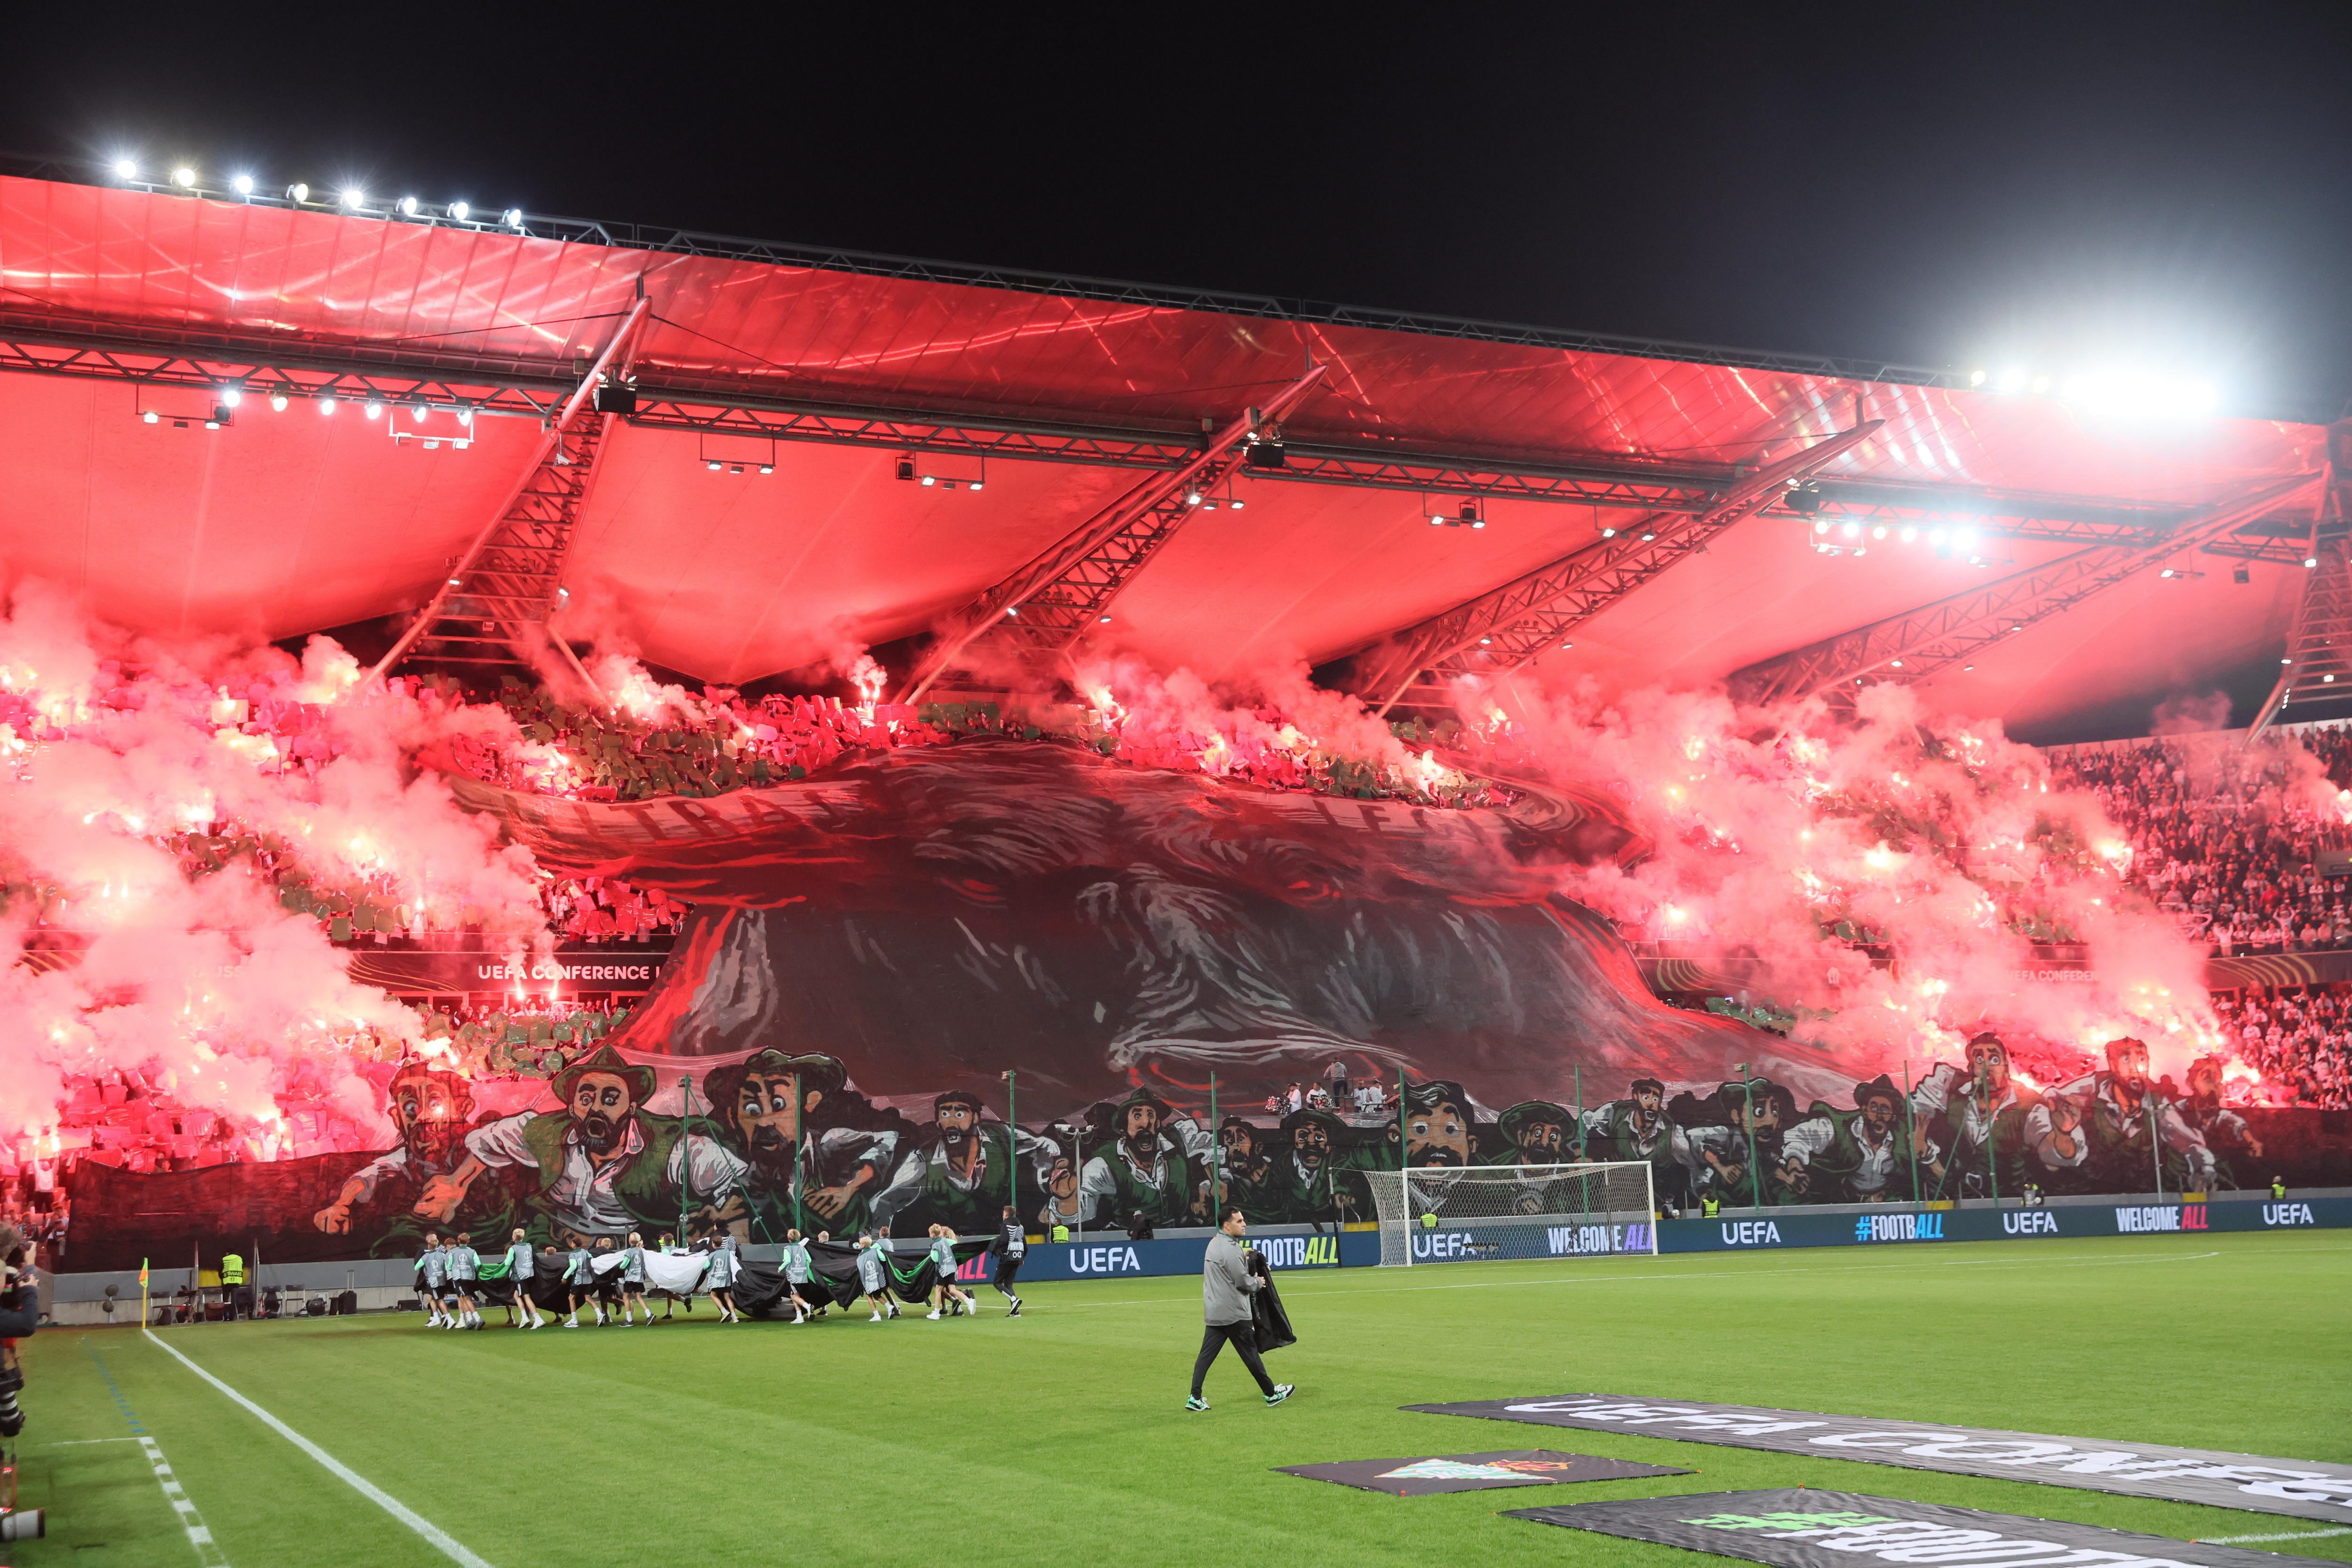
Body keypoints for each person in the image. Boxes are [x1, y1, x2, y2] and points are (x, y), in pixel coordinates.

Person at [1187, 1205, 1291, 1412]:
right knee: (1251, 1354)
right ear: (1227, 1226)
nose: (1244, 1225)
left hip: (1215, 1311)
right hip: (1234, 1313)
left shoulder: (1214, 1243)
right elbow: (1242, 1282)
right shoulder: (1231, 1249)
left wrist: (1243, 1256)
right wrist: (1259, 1282)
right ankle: (1271, 1394)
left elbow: (1226, 1265)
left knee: (1206, 1356)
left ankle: (1195, 1397)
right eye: (1239, 1221)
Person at [926, 1225, 973, 1319]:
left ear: (934, 1235)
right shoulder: (946, 1241)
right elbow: (955, 1244)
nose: (929, 1235)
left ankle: (936, 1313)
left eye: (930, 1234)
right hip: (952, 1267)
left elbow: (936, 1259)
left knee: (938, 1290)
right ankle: (968, 1301)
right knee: (952, 1289)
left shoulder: (935, 1245)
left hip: (943, 1269)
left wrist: (932, 1253)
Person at [504, 1227, 545, 1329]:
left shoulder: (513, 1249)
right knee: (516, 1295)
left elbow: (507, 1263)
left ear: (515, 1237)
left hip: (520, 1276)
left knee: (526, 1297)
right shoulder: (529, 1246)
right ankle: (524, 1317)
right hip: (530, 1274)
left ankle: (537, 1318)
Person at [853, 1234, 899, 1321]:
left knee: (869, 1296)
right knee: (877, 1295)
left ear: (863, 1245)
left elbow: (860, 1268)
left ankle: (877, 1315)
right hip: (879, 1276)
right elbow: (883, 1259)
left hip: (869, 1279)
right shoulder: (876, 1250)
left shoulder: (860, 1257)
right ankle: (889, 1307)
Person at [703, 1227, 743, 1324]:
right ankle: (735, 1317)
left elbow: (706, 1267)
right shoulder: (728, 1253)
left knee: (713, 1295)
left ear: (713, 1244)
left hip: (716, 1279)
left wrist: (706, 1268)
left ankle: (724, 1311)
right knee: (727, 1297)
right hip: (727, 1278)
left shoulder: (712, 1255)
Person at [991, 1204, 1026, 1317]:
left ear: (1006, 1214)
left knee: (997, 1283)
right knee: (1009, 1284)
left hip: (1007, 1257)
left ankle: (1014, 1300)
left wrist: (1000, 1252)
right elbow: (1025, 1244)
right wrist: (1022, 1257)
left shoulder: (1005, 1225)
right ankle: (1015, 1311)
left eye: (1003, 1214)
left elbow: (1004, 1240)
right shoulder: (1021, 1226)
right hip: (1018, 1256)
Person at [779, 1228, 820, 1324]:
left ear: (789, 1238)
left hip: (793, 1276)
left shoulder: (787, 1249)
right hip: (802, 1275)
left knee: (794, 1296)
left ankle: (807, 1306)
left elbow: (787, 1261)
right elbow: (809, 1260)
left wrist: (780, 1268)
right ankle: (799, 1317)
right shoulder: (802, 1248)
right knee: (795, 1295)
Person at [446, 1232, 482, 1329]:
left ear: (458, 1241)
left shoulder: (453, 1252)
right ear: (468, 1241)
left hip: (459, 1278)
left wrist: (453, 1269)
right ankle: (470, 1320)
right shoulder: (472, 1251)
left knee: (464, 1299)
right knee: (466, 1298)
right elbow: (478, 1264)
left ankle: (478, 1319)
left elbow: (449, 1266)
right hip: (470, 1277)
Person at [560, 1239, 598, 1327]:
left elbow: (574, 1266)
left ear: (574, 1244)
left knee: (571, 1298)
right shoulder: (586, 1252)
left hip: (578, 1279)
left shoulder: (573, 1255)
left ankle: (574, 1320)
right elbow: (591, 1260)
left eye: (572, 1243)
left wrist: (565, 1277)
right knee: (588, 1298)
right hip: (587, 1279)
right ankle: (599, 1314)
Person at [416, 1231, 450, 1328]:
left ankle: (446, 1317)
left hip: (433, 1279)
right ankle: (436, 1317)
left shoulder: (429, 1253)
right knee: (434, 1298)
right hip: (440, 1277)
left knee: (437, 1298)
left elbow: (417, 1266)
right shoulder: (437, 1252)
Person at [618, 1231, 650, 1324]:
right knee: (639, 1297)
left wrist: (619, 1266)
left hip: (630, 1278)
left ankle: (629, 1319)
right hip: (639, 1278)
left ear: (630, 1241)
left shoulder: (630, 1252)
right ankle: (649, 1314)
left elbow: (624, 1265)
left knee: (626, 1297)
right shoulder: (641, 1250)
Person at [218, 1250, 247, 1321]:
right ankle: (233, 1317)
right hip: (236, 1282)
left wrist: (223, 1278)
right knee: (235, 1301)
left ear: (228, 1253)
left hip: (226, 1282)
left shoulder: (225, 1259)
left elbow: (220, 1270)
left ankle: (225, 1317)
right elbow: (241, 1268)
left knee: (225, 1301)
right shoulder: (239, 1258)